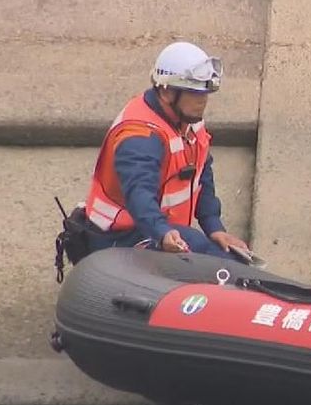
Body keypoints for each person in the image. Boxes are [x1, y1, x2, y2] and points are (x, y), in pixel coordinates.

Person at [84, 41, 249, 259]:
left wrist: (214, 227)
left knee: (228, 255)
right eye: (194, 93)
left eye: (205, 93)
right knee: (207, 253)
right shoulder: (140, 137)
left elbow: (202, 173)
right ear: (166, 92)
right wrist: (162, 233)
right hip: (119, 238)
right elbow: (139, 193)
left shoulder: (188, 120)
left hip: (162, 230)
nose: (203, 101)